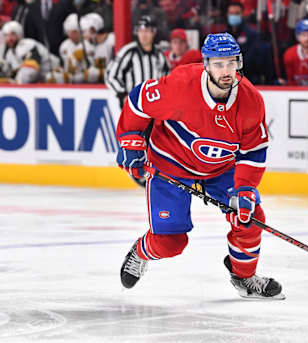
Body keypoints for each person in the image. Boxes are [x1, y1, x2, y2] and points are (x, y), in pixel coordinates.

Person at [116, 32, 284, 300]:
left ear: (238, 63)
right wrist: (131, 141)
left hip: (220, 169)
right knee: (171, 243)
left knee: (250, 217)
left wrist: (244, 190)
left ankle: (244, 277)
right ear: (206, 64)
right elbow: (138, 101)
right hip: (170, 163)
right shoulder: (180, 85)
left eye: (231, 63)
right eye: (218, 64)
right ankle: (141, 251)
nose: (226, 71)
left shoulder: (251, 101)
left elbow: (253, 152)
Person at [106, 16, 170, 108]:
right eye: (141, 31)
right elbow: (110, 75)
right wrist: (123, 94)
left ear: (153, 33)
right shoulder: (128, 52)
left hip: (154, 108)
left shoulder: (160, 56)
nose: (143, 35)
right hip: (132, 107)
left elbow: (166, 80)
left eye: (147, 31)